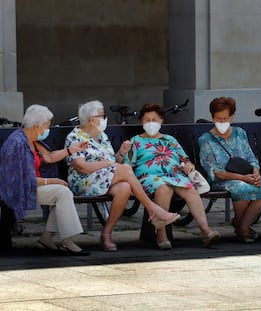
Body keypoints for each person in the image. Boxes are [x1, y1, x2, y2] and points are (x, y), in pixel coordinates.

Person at [65, 100, 180, 252]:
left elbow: (115, 163)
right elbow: (82, 167)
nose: (105, 119)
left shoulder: (102, 136)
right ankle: (154, 210)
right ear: (92, 119)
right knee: (125, 169)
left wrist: (122, 152)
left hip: (105, 179)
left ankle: (106, 234)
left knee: (124, 187)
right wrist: (107, 164)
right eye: (103, 115)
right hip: (84, 181)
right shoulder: (75, 137)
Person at [124, 103, 220, 249]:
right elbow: (128, 164)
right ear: (141, 122)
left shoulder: (170, 140)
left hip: (174, 175)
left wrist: (189, 165)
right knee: (163, 188)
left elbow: (184, 159)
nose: (151, 123)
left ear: (161, 121)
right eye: (147, 120)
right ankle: (161, 234)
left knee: (190, 189)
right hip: (149, 177)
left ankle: (206, 231)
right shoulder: (135, 141)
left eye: (154, 119)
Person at [0, 104, 90, 255]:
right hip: (20, 188)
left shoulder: (32, 139)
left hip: (33, 184)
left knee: (62, 194)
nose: (48, 129)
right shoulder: (17, 143)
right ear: (36, 126)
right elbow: (23, 179)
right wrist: (53, 181)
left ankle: (47, 238)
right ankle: (66, 240)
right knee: (62, 192)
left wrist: (71, 150)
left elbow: (49, 156)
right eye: (47, 125)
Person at [198, 97, 261, 243]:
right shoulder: (205, 139)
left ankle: (242, 226)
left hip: (246, 177)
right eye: (218, 118)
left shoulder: (239, 133)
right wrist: (243, 178)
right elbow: (215, 171)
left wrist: (256, 175)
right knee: (241, 188)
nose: (221, 122)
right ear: (212, 118)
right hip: (221, 180)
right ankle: (242, 227)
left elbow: (252, 159)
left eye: (225, 118)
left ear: (231, 117)